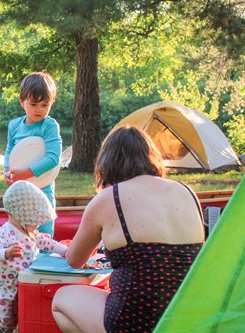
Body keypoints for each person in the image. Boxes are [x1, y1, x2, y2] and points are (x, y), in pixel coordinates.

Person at [52, 125, 205, 333]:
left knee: (61, 299)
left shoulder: (108, 198)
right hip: (187, 316)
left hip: (137, 320)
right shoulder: (187, 193)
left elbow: (74, 260)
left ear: (107, 162)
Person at [0, 180, 68, 333]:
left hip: (19, 288)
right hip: (1, 291)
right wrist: (7, 253)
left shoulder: (31, 232)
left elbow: (46, 243)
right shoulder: (6, 232)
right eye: (35, 222)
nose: (37, 226)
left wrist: (66, 250)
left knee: (13, 322)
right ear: (21, 216)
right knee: (0, 324)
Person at [3, 71, 62, 236]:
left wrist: (26, 173)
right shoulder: (14, 126)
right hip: (20, 189)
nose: (39, 110)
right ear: (22, 101)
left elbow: (53, 158)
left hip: (43, 186)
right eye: (34, 104)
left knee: (43, 231)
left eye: (45, 105)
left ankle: (44, 259)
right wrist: (6, 170)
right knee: (20, 230)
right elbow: (10, 150)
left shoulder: (49, 126)